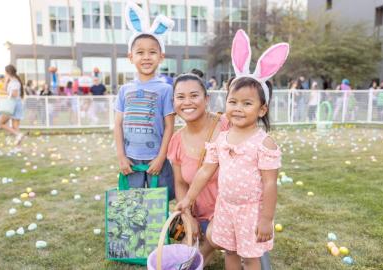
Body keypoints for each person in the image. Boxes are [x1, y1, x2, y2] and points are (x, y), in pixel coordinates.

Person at [176, 30, 288, 270]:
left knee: (250, 257)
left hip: (251, 211)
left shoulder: (263, 143)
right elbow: (205, 171)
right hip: (225, 207)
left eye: (247, 103)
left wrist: (266, 219)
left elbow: (269, 184)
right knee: (230, 252)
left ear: (262, 109)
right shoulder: (222, 138)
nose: (238, 108)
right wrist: (188, 199)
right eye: (233, 102)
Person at [114, 1, 175, 199]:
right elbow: (118, 125)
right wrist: (122, 157)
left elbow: (169, 127)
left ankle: (161, 232)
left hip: (156, 160)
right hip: (131, 161)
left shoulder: (166, 90)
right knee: (133, 204)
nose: (146, 57)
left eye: (152, 52)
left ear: (161, 57)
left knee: (158, 203)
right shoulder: (124, 90)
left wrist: (161, 158)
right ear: (130, 57)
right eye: (140, 52)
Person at [167, 73, 230, 266]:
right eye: (180, 97)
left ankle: (196, 258)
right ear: (174, 102)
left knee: (209, 241)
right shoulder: (176, 140)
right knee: (186, 240)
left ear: (206, 99)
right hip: (199, 212)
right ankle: (200, 253)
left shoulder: (227, 126)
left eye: (194, 95)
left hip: (230, 210)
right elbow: (179, 183)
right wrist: (188, 217)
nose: (187, 102)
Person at [0, 64, 25, 145]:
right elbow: (4, 88)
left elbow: (15, 94)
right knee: (15, 128)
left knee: (0, 123)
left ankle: (18, 135)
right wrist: (6, 80)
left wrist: (5, 93)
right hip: (15, 104)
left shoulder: (15, 82)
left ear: (8, 72)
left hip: (12, 105)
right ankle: (18, 148)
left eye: (5, 72)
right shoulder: (12, 81)